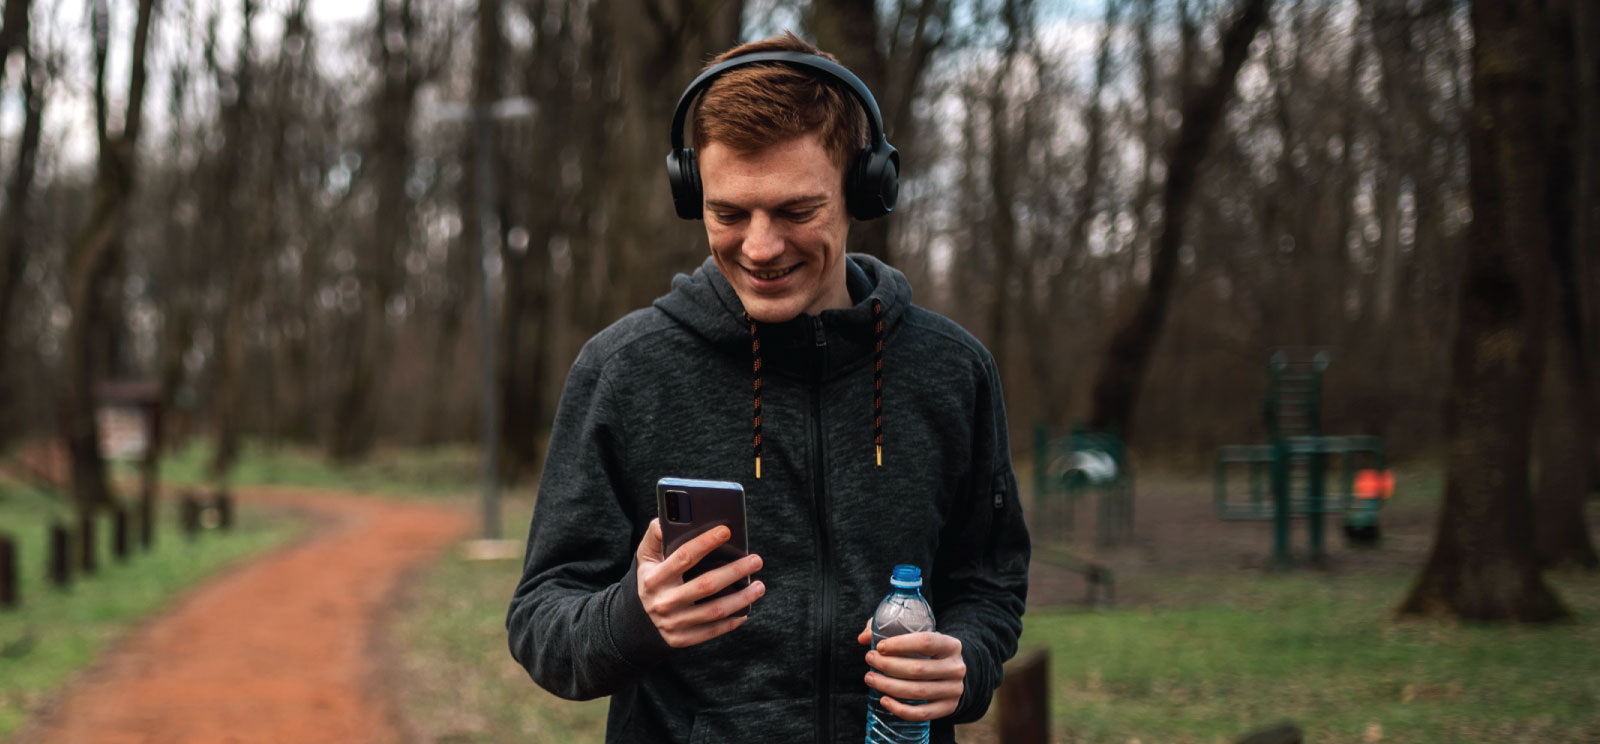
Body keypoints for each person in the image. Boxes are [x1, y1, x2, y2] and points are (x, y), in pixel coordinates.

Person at [507, 31, 1029, 744]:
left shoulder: (951, 370)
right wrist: (634, 618)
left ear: (862, 190)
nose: (759, 247)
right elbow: (541, 618)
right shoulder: (624, 372)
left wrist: (966, 663)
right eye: (729, 213)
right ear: (695, 196)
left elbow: (989, 583)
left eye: (795, 211)